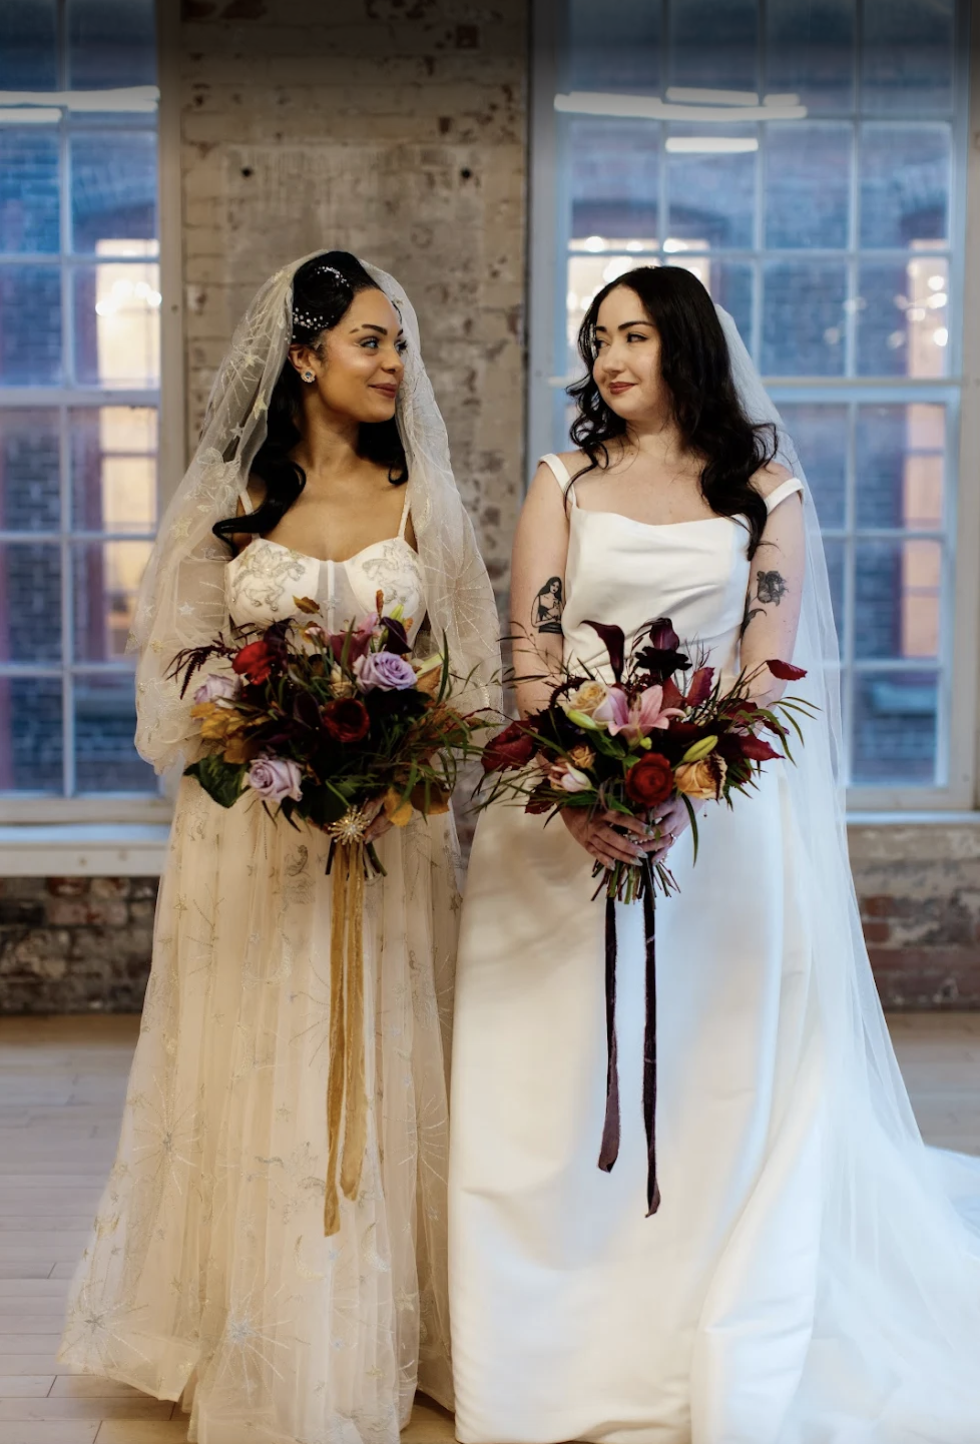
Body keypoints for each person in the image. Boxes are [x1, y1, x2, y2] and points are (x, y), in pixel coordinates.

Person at [449, 265, 980, 1443]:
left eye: (632, 335)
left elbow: (757, 665)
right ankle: (539, 1332)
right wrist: (568, 778)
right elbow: (530, 640)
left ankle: (689, 1306)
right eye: (596, 342)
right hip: (557, 812)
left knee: (707, 1071)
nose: (609, 360)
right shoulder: (562, 482)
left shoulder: (766, 495)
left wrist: (681, 782)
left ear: (684, 342)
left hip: (714, 814)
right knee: (543, 1072)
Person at [58, 251, 500, 1444]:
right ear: (303, 357)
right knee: (255, 1057)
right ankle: (255, 1323)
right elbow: (173, 682)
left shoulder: (427, 504)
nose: (394, 363)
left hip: (385, 839)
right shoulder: (223, 500)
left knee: (376, 1056)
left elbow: (468, 677)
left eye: (399, 342)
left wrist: (390, 773)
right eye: (369, 340)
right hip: (251, 842)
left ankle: (381, 1322)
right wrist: (273, 761)